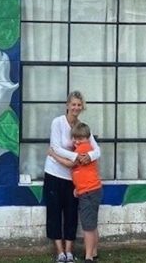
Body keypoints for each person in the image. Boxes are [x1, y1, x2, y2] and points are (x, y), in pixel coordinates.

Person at [44, 91, 101, 263]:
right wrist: (76, 158)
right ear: (67, 105)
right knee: (54, 213)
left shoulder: (82, 127)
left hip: (73, 179)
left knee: (71, 214)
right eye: (73, 104)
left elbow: (96, 150)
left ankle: (69, 251)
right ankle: (60, 251)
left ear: (82, 107)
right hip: (54, 173)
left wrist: (88, 157)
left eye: (79, 104)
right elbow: (55, 147)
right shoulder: (58, 123)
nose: (76, 107)